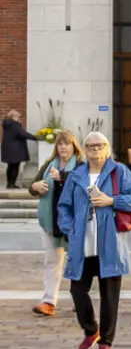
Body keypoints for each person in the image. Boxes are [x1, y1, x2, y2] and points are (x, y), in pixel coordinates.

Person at [56, 131, 131, 349]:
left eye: (99, 145)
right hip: (82, 243)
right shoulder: (77, 175)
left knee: (109, 295)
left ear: (107, 147)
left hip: (110, 243)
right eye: (90, 145)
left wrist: (112, 200)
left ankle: (106, 341)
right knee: (77, 289)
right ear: (84, 149)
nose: (95, 149)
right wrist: (70, 227)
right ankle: (90, 329)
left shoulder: (119, 171)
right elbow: (63, 206)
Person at [27, 130, 83, 316]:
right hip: (50, 220)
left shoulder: (81, 165)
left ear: (73, 146)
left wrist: (63, 178)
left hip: (74, 222)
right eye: (60, 144)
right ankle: (49, 301)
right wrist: (36, 187)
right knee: (52, 261)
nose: (63, 148)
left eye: (66, 144)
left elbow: (84, 186)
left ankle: (81, 300)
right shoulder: (48, 165)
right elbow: (32, 186)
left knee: (77, 261)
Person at [3, 110, 37, 190]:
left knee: (10, 166)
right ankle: (12, 184)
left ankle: (9, 183)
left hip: (9, 148)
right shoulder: (14, 125)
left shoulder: (7, 124)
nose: (18, 118)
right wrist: (35, 137)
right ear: (12, 116)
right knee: (15, 166)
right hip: (15, 148)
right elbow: (23, 133)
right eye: (17, 116)